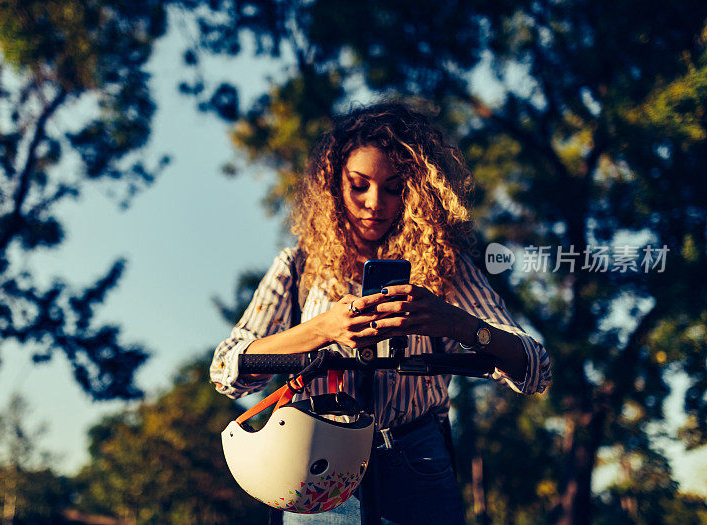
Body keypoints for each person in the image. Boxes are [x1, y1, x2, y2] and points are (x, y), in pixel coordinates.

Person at [210, 102, 552, 524]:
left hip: (417, 459)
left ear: (415, 193)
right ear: (334, 185)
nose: (375, 202)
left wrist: (455, 323)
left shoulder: (447, 266)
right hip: (316, 463)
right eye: (360, 185)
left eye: (394, 187)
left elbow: (535, 367)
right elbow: (227, 369)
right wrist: (323, 328)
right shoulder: (297, 265)